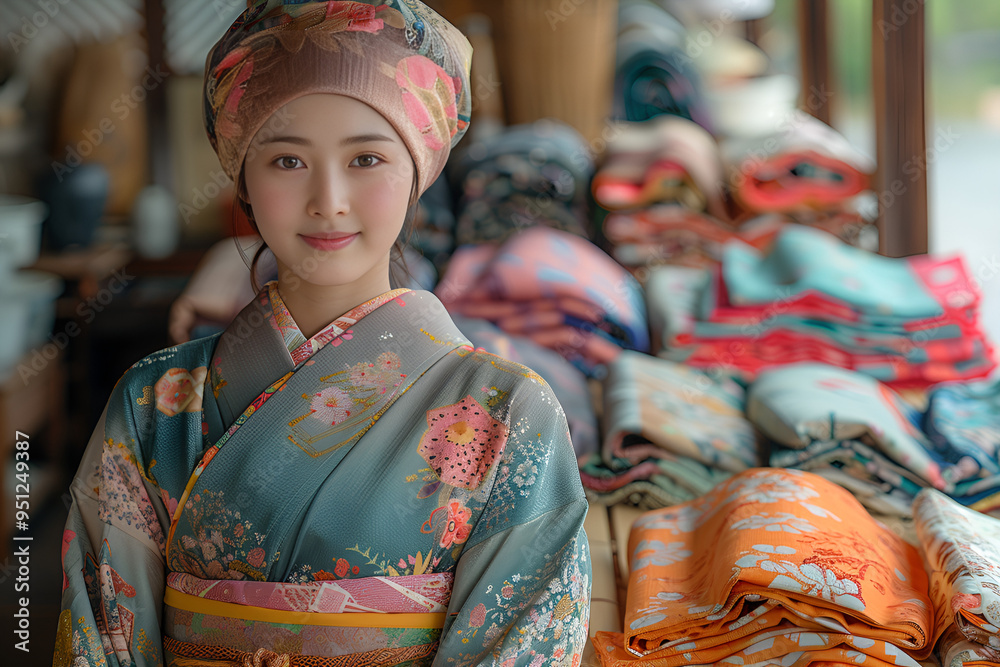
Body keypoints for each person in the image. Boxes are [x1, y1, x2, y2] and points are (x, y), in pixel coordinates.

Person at [53, 2, 592, 665]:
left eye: (366, 158)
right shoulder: (152, 404)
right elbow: (102, 640)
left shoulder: (510, 411)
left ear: (417, 173)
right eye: (287, 160)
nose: (328, 200)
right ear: (242, 178)